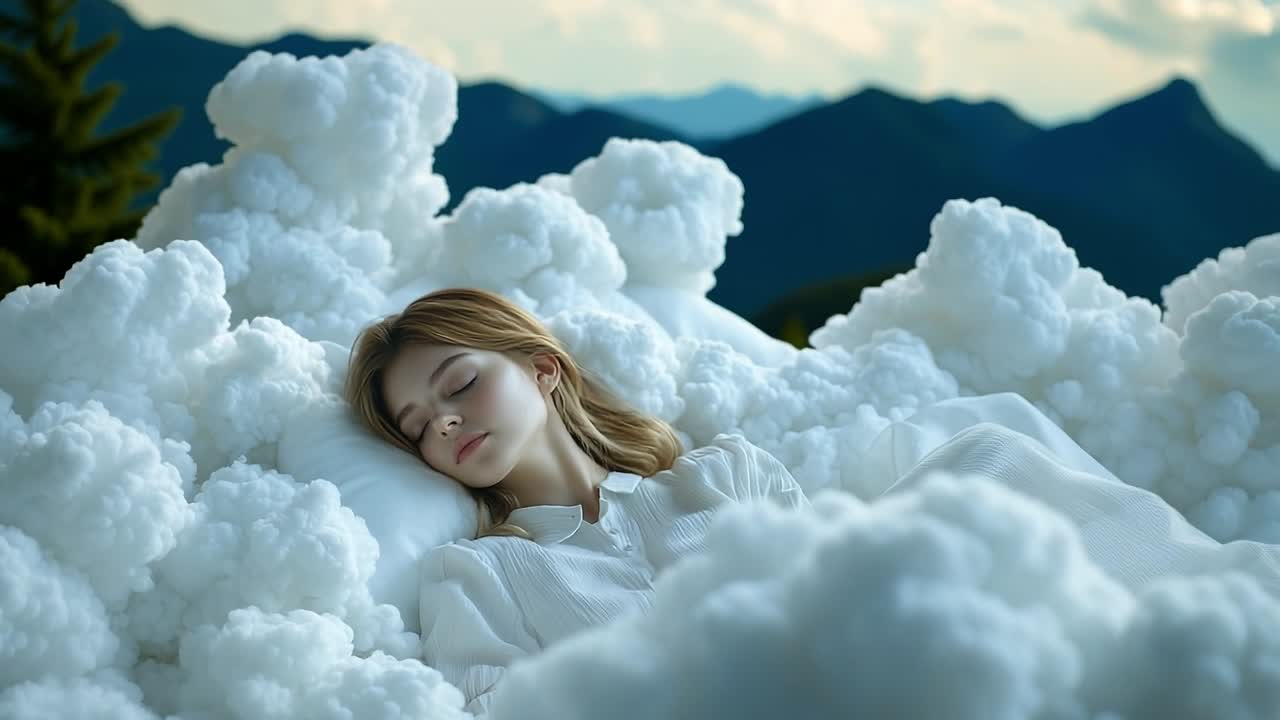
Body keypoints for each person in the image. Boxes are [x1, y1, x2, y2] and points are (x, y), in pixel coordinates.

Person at [343, 287, 808, 716]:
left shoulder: (729, 473)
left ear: (543, 370)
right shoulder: (475, 575)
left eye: (461, 383)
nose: (443, 421)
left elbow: (841, 598)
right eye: (418, 427)